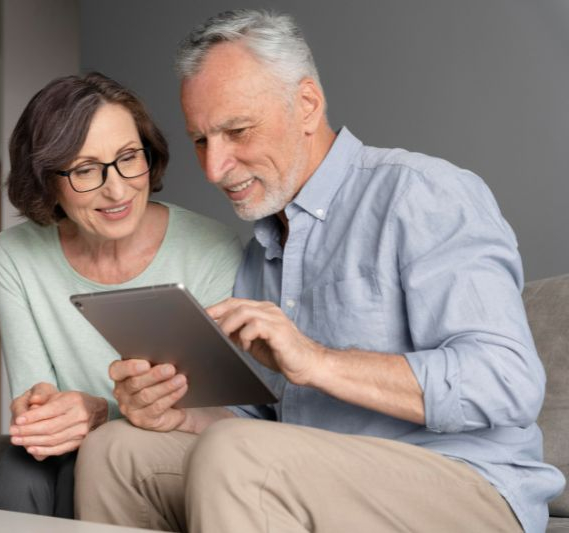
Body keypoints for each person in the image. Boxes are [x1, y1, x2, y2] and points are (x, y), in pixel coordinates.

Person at [73, 10, 566, 533]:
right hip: (322, 474)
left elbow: (506, 381)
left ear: (306, 104)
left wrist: (318, 361)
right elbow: (265, 424)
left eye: (237, 130)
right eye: (201, 140)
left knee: (241, 456)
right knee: (116, 450)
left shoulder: (421, 194)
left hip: (469, 486)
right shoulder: (261, 253)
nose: (215, 168)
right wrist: (179, 415)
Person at [0, 72, 242, 518]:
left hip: (173, 442)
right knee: (23, 467)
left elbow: (225, 411)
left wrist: (103, 413)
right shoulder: (17, 253)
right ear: (47, 180)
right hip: (66, 451)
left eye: (128, 158)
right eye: (85, 169)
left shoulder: (211, 250)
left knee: (89, 461)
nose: (117, 189)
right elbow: (37, 400)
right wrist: (40, 410)